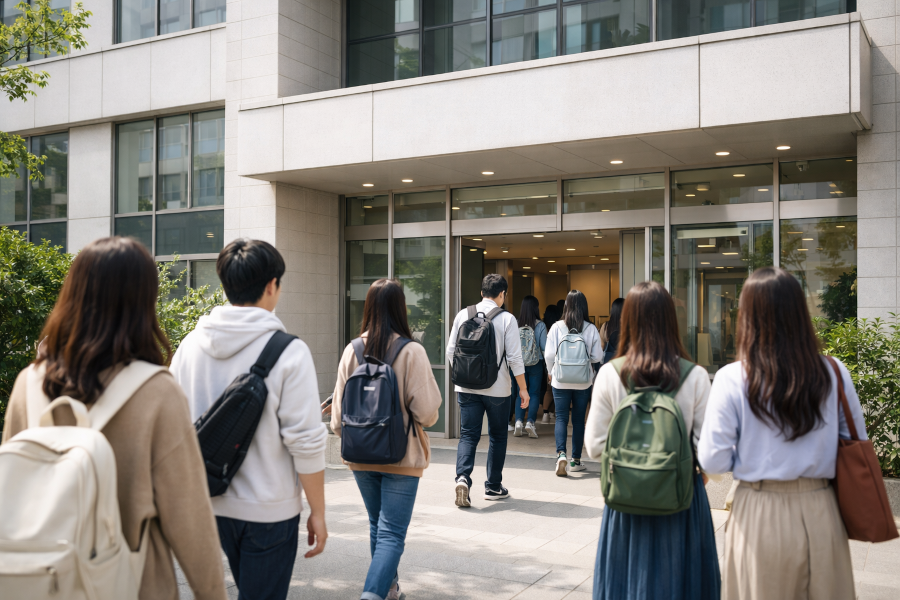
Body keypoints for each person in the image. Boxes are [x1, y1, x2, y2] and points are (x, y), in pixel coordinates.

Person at [2, 237, 227, 600]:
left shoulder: (28, 383)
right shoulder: (156, 391)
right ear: (143, 303)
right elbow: (189, 518)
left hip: (40, 580)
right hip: (131, 582)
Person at [170, 239, 328, 600]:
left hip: (206, 504)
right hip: (269, 509)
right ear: (272, 285)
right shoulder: (289, 351)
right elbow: (305, 440)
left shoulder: (190, 346)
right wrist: (317, 511)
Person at [698, 267, 863, 600]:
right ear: (800, 313)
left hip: (758, 510)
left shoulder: (733, 377)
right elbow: (856, 440)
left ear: (748, 316)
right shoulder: (833, 372)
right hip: (821, 509)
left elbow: (712, 460)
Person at [585, 281, 720, 600]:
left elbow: (593, 446)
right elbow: (709, 454)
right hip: (682, 501)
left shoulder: (610, 374)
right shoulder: (695, 375)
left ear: (627, 321)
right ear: (672, 321)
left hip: (626, 502)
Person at [330, 279, 443, 600]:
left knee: (377, 525)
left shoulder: (351, 351)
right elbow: (428, 414)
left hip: (359, 456)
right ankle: (373, 594)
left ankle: (390, 589)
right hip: (401, 457)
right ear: (400, 309)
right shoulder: (411, 351)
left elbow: (337, 420)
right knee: (392, 532)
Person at [447, 274, 528, 507]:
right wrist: (523, 389)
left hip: (466, 388)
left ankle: (462, 478)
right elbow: (514, 358)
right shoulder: (507, 319)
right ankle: (493, 486)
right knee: (497, 436)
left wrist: (466, 375)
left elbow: (451, 351)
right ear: (502, 294)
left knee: (468, 435)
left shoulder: (463, 314)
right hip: (498, 389)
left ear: (482, 292)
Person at [545, 290, 603, 476]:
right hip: (583, 381)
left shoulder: (556, 327)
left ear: (566, 306)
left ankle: (561, 454)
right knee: (578, 420)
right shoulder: (590, 328)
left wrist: (550, 372)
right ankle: (576, 461)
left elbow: (548, 355)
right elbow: (597, 357)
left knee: (561, 417)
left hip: (560, 379)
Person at [512, 295, 547, 438]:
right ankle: (530, 422)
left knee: (520, 391)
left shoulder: (515, 323)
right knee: (534, 393)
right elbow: (544, 347)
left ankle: (519, 422)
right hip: (535, 363)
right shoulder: (540, 325)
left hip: (518, 363)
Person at [540, 304, 562, 424]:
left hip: (546, 362)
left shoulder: (545, 326)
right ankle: (553, 413)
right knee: (556, 389)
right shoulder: (559, 327)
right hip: (558, 362)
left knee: (549, 389)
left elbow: (546, 351)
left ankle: (545, 414)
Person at [599, 297, 624, 364]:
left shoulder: (606, 326)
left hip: (609, 363)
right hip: (625, 362)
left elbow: (601, 347)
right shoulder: (629, 326)